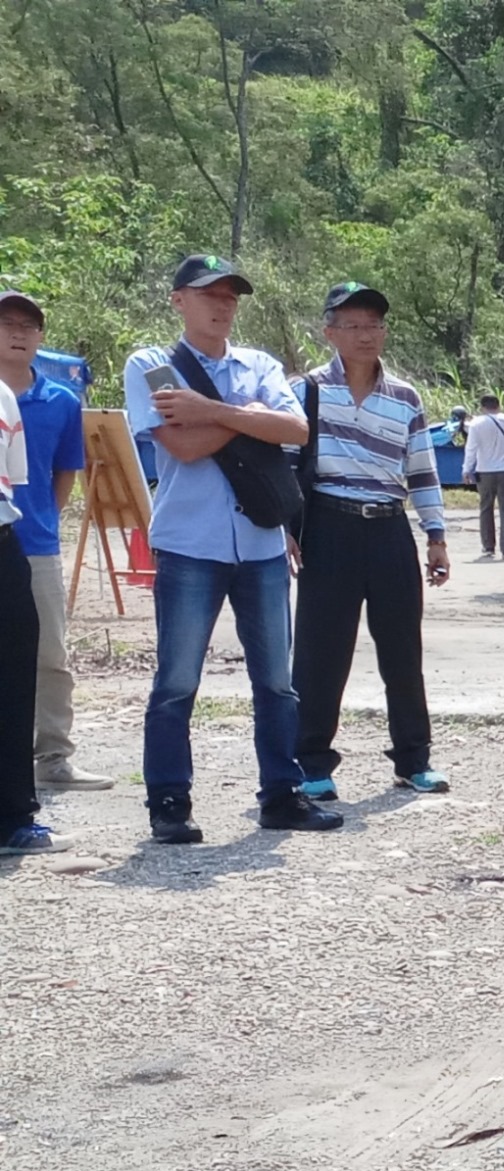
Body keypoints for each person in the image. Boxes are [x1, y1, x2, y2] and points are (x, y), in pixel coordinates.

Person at [125, 254, 332, 844]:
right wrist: (252, 418)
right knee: (176, 682)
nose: (222, 305)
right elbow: (183, 447)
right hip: (190, 543)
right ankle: (169, 802)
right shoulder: (152, 365)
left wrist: (209, 411)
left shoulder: (260, 364)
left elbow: (296, 430)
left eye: (230, 296)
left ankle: (282, 795)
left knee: (276, 683)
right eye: (208, 294)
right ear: (178, 301)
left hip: (261, 543)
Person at [293, 282, 454, 802]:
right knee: (321, 652)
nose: (366, 335)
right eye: (354, 325)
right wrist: (287, 531)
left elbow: (421, 468)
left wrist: (435, 534)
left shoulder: (405, 397)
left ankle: (413, 760)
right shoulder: (307, 390)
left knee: (403, 650)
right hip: (328, 526)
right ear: (330, 332)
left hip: (388, 526)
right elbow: (287, 465)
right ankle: (311, 764)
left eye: (374, 325)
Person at [0, 285, 100, 795]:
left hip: (35, 543)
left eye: (28, 326)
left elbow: (66, 470)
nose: (18, 334)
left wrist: (45, 519)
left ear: (40, 336)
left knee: (49, 653)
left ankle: (54, 754)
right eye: (7, 325)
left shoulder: (61, 400)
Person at [0, 342, 49, 852]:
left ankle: (13, 815)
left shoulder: (3, 397)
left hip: (3, 545)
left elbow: (13, 482)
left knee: (14, 678)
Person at [461, 392, 504, 561]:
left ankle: (488, 547)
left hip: (485, 471)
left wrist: (466, 470)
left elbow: (471, 449)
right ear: (499, 405)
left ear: (482, 407)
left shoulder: (476, 424)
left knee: (486, 508)